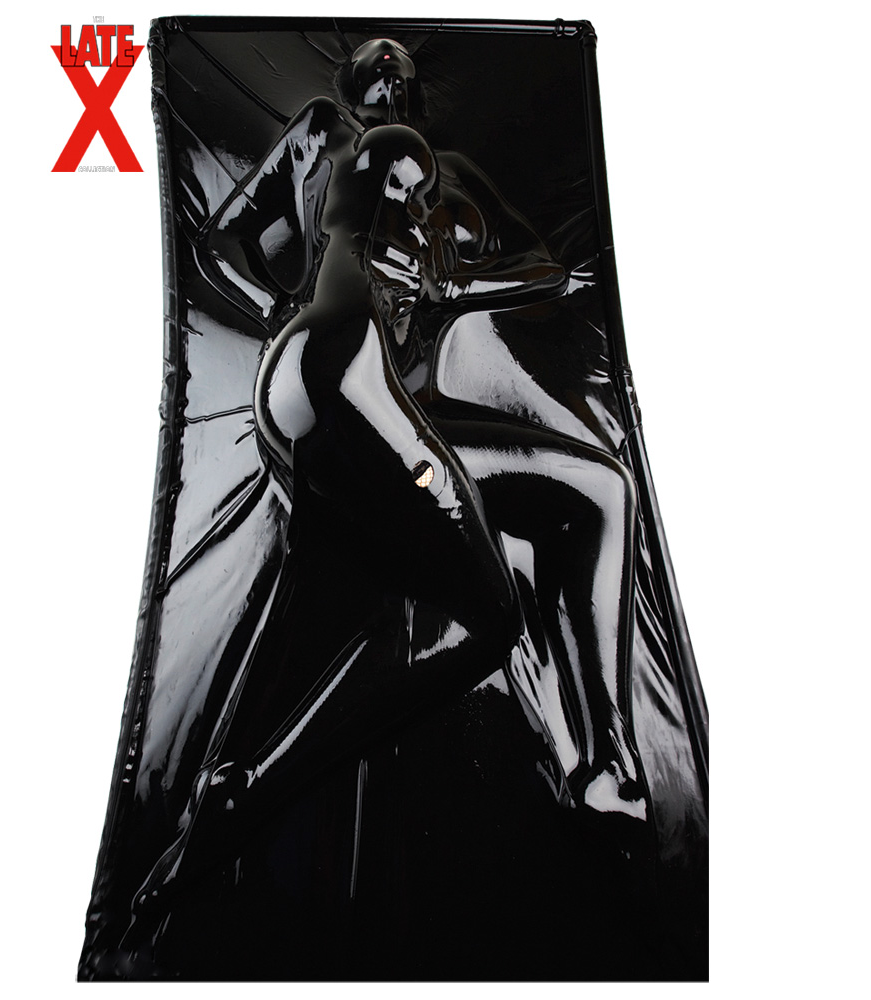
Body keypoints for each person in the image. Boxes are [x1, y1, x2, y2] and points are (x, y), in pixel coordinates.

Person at [130, 38, 647, 926]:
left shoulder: (439, 181)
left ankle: (607, 767)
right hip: (339, 372)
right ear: (350, 86)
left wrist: (457, 284)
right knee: (484, 614)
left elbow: (548, 268)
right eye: (375, 68)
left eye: (403, 73)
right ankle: (247, 792)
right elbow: (224, 243)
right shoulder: (337, 141)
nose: (391, 76)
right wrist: (280, 313)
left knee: (597, 492)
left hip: (391, 410)